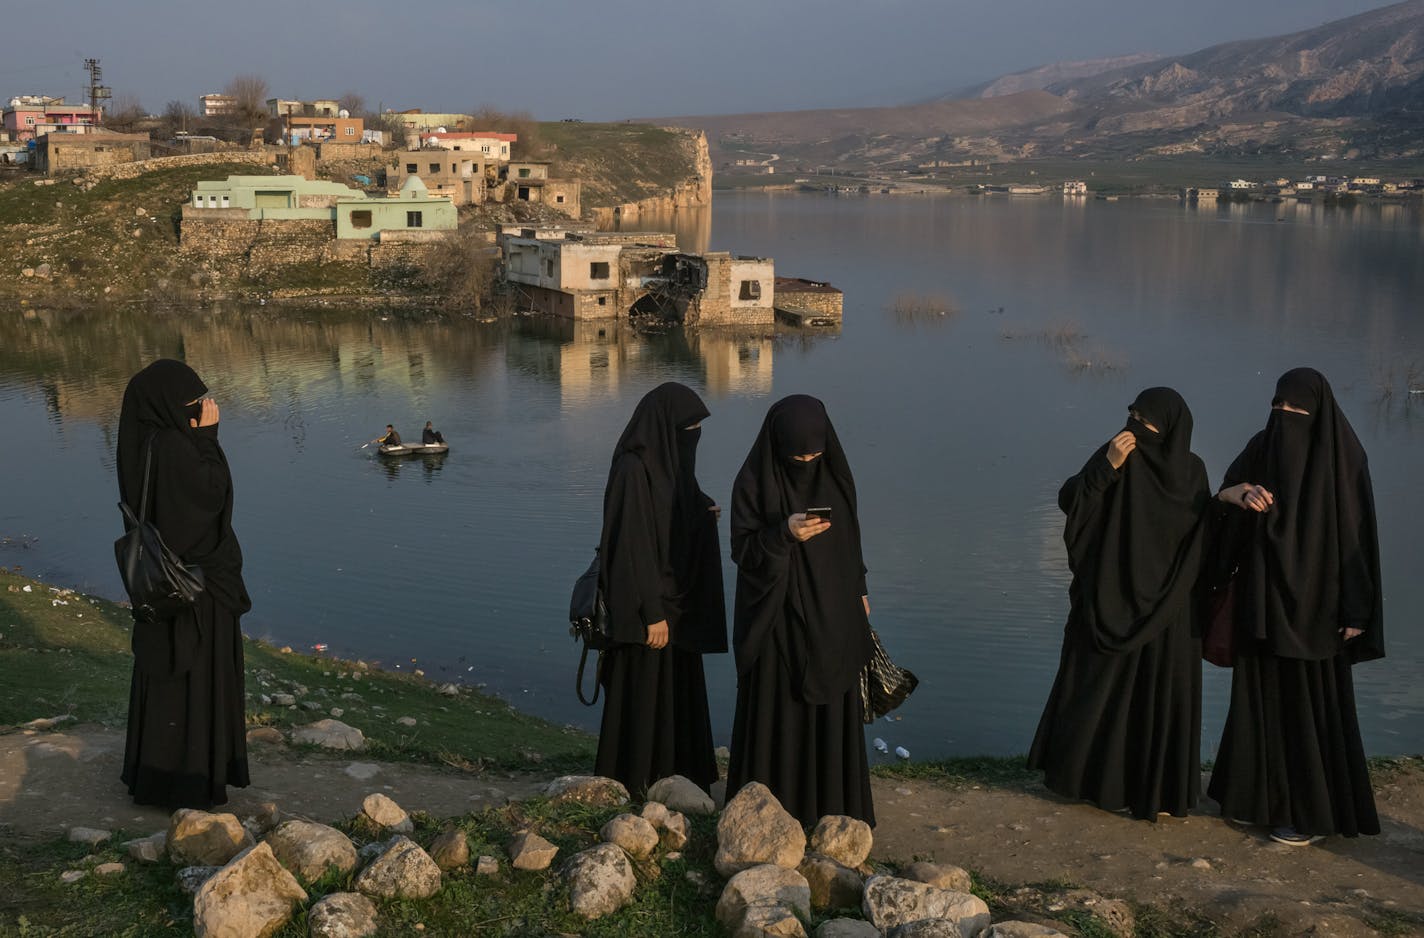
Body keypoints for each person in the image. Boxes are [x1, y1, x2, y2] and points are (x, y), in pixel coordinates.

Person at [1207, 368, 1384, 845]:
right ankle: (1253, 800)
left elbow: (1357, 543)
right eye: (1277, 406)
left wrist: (1356, 612)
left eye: (1295, 409)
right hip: (1262, 602)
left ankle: (1307, 815)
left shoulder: (1344, 460)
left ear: (1317, 410)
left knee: (1309, 710)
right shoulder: (1262, 446)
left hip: (1318, 612)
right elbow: (1221, 500)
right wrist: (1238, 494)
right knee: (1259, 700)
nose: (1284, 416)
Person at [1027, 388, 1209, 820]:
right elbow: (1072, 500)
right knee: (1098, 691)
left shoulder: (1192, 473)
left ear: (1168, 429)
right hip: (1111, 595)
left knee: (1153, 696)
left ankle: (1154, 788)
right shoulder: (1116, 454)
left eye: (1145, 421)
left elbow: (1201, 536)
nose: (1134, 426)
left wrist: (1226, 501)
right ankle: (1091, 780)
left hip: (1167, 609)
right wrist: (1105, 467)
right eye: (1131, 414)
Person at [725, 395, 875, 826]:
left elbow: (851, 540)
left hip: (833, 617)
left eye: (814, 454)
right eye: (798, 456)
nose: (808, 461)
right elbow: (743, 550)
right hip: (778, 621)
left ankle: (833, 809)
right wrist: (782, 533)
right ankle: (770, 813)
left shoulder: (837, 478)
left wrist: (860, 587)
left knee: (831, 708)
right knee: (781, 709)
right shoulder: (753, 483)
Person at [117, 359, 252, 809]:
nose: (202, 409)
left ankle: (153, 775)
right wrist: (208, 443)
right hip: (195, 588)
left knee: (164, 676)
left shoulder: (140, 441)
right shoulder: (177, 447)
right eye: (193, 403)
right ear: (168, 404)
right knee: (195, 676)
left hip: (159, 583)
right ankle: (193, 778)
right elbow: (211, 499)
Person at [594, 382, 726, 794]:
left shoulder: (666, 466)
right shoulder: (633, 471)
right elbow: (632, 547)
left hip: (674, 608)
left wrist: (704, 510)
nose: (693, 439)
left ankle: (676, 778)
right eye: (688, 430)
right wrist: (653, 613)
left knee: (673, 692)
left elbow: (676, 502)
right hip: (646, 612)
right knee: (643, 692)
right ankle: (632, 783)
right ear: (666, 429)